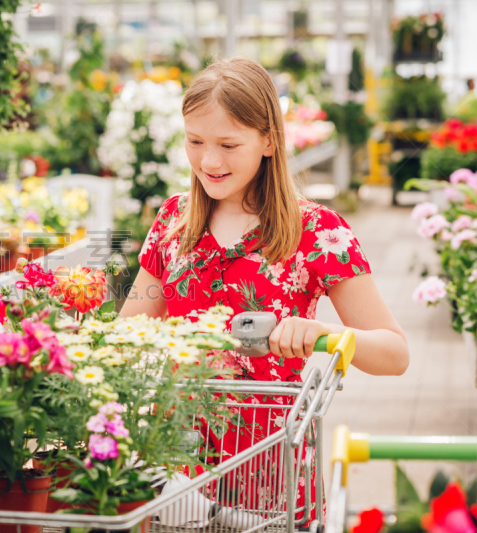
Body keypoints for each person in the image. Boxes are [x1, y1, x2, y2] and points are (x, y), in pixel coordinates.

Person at [119, 58, 409, 518]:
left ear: (269, 140)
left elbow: (394, 354)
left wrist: (320, 335)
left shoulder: (315, 231)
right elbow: (127, 338)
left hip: (271, 473)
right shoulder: (173, 222)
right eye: (195, 142)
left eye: (229, 145)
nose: (209, 161)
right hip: (174, 472)